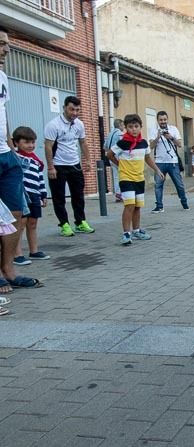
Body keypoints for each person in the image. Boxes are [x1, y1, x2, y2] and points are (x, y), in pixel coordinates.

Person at [0, 27, 43, 296]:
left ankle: (9, 270)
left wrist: (10, 148)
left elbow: (3, 114)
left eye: (6, 43)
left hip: (6, 156)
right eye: (1, 44)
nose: (6, 48)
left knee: (17, 213)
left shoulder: (2, 76)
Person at [107, 114, 164, 246]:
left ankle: (136, 231)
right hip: (126, 178)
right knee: (129, 205)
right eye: (130, 127)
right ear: (126, 128)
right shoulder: (122, 143)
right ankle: (126, 233)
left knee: (137, 206)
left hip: (139, 178)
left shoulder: (143, 143)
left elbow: (147, 158)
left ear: (140, 127)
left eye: (136, 126)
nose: (134, 129)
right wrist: (119, 164)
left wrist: (157, 170)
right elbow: (109, 154)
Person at [44, 96, 95, 237]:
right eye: (72, 109)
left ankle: (80, 222)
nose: (75, 113)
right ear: (64, 108)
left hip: (74, 165)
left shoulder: (79, 124)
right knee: (59, 197)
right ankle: (64, 224)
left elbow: (83, 142)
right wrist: (50, 167)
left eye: (77, 110)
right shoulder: (53, 125)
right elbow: (48, 146)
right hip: (58, 165)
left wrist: (88, 160)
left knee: (78, 195)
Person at [13, 127, 49, 265]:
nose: (31, 145)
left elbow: (40, 178)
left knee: (33, 223)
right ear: (16, 143)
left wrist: (43, 194)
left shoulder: (36, 161)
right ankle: (17, 254)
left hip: (35, 195)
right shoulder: (15, 158)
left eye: (33, 142)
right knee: (20, 224)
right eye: (26, 142)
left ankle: (34, 251)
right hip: (21, 195)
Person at [149, 111, 189, 212]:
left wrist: (171, 137)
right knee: (158, 185)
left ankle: (184, 203)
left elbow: (179, 144)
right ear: (157, 120)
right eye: (161, 120)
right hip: (159, 162)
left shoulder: (173, 129)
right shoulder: (153, 130)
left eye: (165, 119)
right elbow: (151, 146)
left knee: (179, 184)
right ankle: (159, 206)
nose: (163, 121)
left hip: (173, 162)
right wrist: (158, 137)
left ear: (167, 119)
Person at [104, 118, 125, 202]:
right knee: (122, 175)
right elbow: (124, 145)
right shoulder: (120, 134)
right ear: (119, 125)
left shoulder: (109, 134)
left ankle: (118, 193)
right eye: (123, 125)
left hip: (110, 157)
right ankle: (122, 193)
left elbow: (105, 147)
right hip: (118, 156)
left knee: (116, 176)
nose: (124, 127)